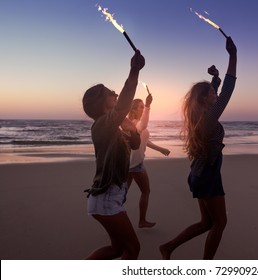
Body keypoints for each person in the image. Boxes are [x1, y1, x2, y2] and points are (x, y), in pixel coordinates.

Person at [160, 37, 237, 259]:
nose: (216, 94)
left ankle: (168, 247)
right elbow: (228, 91)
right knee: (220, 223)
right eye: (212, 94)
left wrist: (215, 79)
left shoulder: (199, 116)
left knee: (206, 223)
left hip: (199, 173)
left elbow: (216, 91)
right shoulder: (208, 118)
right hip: (208, 176)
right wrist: (233, 55)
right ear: (205, 100)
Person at [82, 50, 145, 259]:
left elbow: (135, 144)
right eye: (111, 93)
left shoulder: (113, 127)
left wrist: (130, 128)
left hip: (110, 197)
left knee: (117, 249)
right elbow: (124, 103)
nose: (116, 93)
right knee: (132, 249)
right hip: (106, 197)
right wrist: (134, 71)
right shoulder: (101, 126)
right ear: (101, 103)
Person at [121, 94, 170, 228]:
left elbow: (145, 141)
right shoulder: (136, 124)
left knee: (122, 194)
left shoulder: (132, 124)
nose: (143, 109)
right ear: (134, 110)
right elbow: (144, 125)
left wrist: (160, 149)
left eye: (144, 107)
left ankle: (115, 216)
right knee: (146, 191)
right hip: (136, 164)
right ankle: (141, 221)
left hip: (130, 164)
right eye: (141, 107)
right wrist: (148, 106)